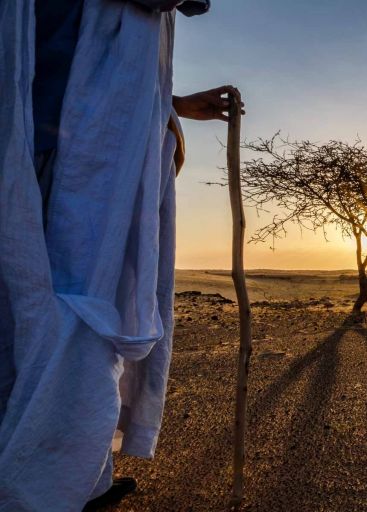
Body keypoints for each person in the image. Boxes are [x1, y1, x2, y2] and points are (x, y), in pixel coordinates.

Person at [0, 1, 243, 510]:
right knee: (71, 316)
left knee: (86, 320)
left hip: (94, 146)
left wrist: (172, 102)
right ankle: (43, 488)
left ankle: (84, 476)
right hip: (64, 155)